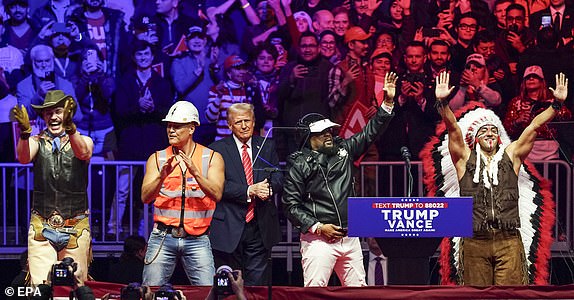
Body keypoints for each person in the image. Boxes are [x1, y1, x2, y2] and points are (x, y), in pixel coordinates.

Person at [428, 71, 566, 285]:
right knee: (477, 296)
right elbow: (453, 128)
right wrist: (443, 103)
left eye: (494, 130)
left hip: (508, 239)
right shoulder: (464, 159)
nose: (491, 133)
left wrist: (555, 105)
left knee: (510, 296)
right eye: (484, 131)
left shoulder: (511, 156)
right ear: (475, 139)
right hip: (474, 240)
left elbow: (534, 127)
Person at [282, 72, 397, 287]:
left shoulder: (344, 149)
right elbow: (290, 204)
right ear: (308, 139)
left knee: (358, 294)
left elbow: (370, 132)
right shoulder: (299, 164)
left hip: (349, 237)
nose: (329, 135)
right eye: (322, 133)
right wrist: (317, 227)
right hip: (318, 241)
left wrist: (387, 103)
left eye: (329, 131)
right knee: (315, 293)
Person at [13, 90, 93, 285]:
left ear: (67, 114)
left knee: (76, 284)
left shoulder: (84, 139)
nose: (53, 117)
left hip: (75, 225)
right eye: (48, 113)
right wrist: (24, 134)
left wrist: (71, 130)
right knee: (40, 285)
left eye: (58, 111)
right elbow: (23, 158)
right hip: (42, 223)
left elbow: (83, 153)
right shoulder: (36, 141)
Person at [141, 101, 225, 286]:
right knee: (149, 292)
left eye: (177, 126)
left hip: (198, 239)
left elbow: (217, 194)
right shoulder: (158, 158)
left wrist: (196, 172)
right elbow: (145, 197)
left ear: (192, 128)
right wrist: (161, 177)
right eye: (169, 125)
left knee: (208, 293)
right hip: (162, 236)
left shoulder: (211, 157)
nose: (171, 130)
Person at [209, 103, 282, 286]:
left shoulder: (266, 145)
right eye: (239, 122)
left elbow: (278, 176)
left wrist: (269, 188)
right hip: (229, 226)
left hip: (260, 225)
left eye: (247, 121)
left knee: (257, 286)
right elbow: (216, 185)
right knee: (230, 285)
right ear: (229, 125)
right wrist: (249, 190)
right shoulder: (217, 149)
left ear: (254, 121)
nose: (244, 125)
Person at [503, 65, 572, 160]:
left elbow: (567, 118)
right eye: (528, 77)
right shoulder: (516, 102)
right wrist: (517, 121)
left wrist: (558, 103)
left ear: (542, 81)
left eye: (535, 77)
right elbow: (505, 129)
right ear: (523, 82)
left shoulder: (551, 101)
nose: (531, 78)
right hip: (524, 147)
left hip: (549, 149)